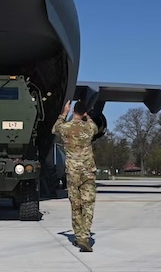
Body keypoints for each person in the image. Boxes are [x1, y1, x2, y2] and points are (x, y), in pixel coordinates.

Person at [52, 99, 97, 252]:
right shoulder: (89, 127)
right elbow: (94, 127)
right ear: (84, 113)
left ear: (73, 111)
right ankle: (85, 236)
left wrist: (64, 113)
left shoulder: (65, 128)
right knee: (88, 204)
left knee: (75, 204)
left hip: (72, 171)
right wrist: (87, 116)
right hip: (88, 171)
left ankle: (78, 236)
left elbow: (54, 129)